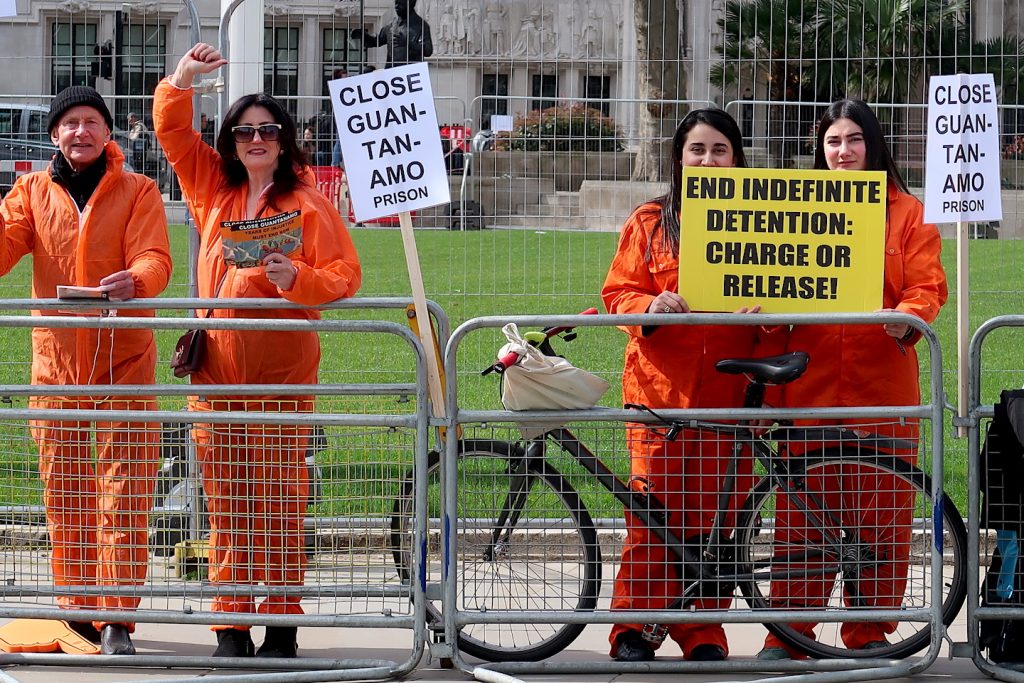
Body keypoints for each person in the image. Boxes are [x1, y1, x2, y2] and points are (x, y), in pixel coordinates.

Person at [154, 42, 362, 660]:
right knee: (226, 502)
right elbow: (172, 133)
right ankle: (231, 622)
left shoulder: (309, 203)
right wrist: (181, 80)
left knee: (280, 503)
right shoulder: (211, 188)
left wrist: (297, 279)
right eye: (244, 131)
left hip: (282, 381)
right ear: (231, 141)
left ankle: (281, 621)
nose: (256, 140)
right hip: (217, 379)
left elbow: (345, 276)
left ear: (284, 139)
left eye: (267, 130)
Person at [756, 99, 948, 660]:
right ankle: (789, 634)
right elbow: (768, 280)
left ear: (874, 145)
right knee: (802, 516)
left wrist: (906, 316)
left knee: (882, 515)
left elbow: (927, 285)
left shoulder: (908, 213)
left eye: (854, 139)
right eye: (833, 141)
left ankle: (869, 631)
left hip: (881, 385)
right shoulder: (797, 209)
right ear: (820, 149)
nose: (843, 151)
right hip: (810, 383)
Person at [0, 86, 172, 655]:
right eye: (71, 122)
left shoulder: (138, 189)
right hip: (56, 366)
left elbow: (155, 257)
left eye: (91, 121)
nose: (81, 131)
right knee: (64, 490)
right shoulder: (30, 192)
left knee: (125, 490)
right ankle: (76, 611)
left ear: (107, 132)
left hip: (125, 361)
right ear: (55, 134)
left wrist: (137, 280)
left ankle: (116, 614)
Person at [601, 109, 764, 663]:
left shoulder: (763, 223)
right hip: (659, 396)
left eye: (720, 150)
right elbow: (618, 293)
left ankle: (703, 629)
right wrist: (650, 306)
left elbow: (790, 304)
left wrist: (763, 316)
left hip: (729, 393)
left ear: (737, 159)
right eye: (697, 149)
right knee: (651, 516)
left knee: (716, 520)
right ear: (678, 158)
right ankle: (634, 627)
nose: (708, 160)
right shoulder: (650, 222)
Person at [352, 0, 433, 68]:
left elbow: (428, 50)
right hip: (392, 74)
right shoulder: (392, 24)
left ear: (410, 3)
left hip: (410, 73)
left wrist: (407, 43)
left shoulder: (421, 25)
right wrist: (363, 35)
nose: (396, 5)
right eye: (395, 3)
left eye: (400, 3)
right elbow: (377, 40)